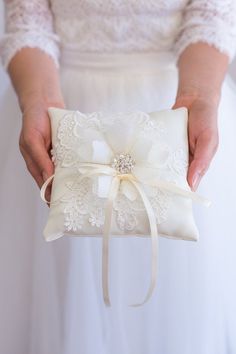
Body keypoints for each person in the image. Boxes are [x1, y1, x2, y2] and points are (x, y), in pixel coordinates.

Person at [0, 1, 236, 354]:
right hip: (61, 113)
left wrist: (201, 94)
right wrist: (38, 99)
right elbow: (28, 19)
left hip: (175, 117)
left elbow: (212, 13)